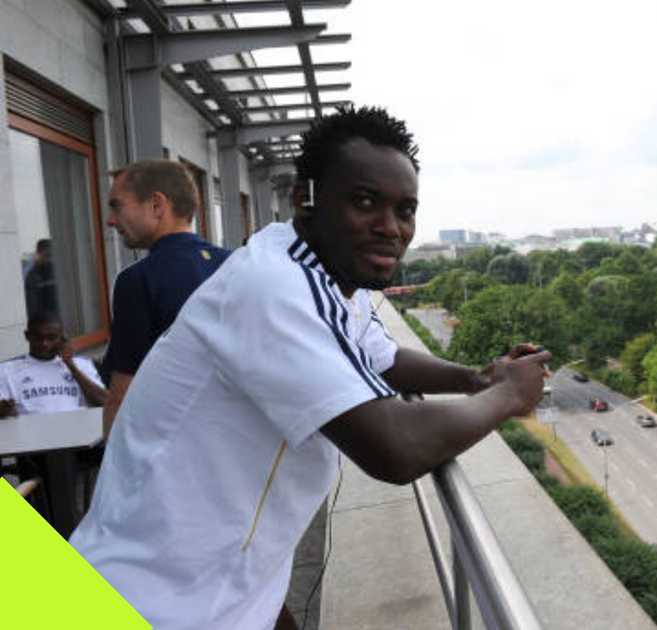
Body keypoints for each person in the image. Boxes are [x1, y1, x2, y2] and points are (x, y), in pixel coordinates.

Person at [70, 105, 550, 630]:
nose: (391, 228)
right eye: (364, 201)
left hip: (212, 591)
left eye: (405, 210)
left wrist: (474, 378)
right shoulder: (273, 287)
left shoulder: (325, 277)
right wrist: (507, 396)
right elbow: (395, 450)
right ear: (306, 199)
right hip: (139, 604)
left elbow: (383, 357)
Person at [100, 160, 230, 435]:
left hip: (172, 449)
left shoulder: (137, 281)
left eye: (117, 205)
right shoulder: (235, 266)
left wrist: (114, 464)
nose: (110, 220)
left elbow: (122, 396)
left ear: (157, 205)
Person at [0, 312, 107, 419]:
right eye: (38, 338)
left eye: (51, 338)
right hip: (32, 433)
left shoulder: (82, 365)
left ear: (62, 338)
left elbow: (104, 401)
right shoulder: (7, 370)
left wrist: (70, 365)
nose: (44, 343)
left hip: (76, 431)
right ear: (27, 336)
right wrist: (4, 412)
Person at [23, 238, 57, 320]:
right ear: (38, 254)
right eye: (47, 255)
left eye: (52, 255)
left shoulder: (55, 271)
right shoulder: (32, 275)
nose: (50, 259)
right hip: (44, 323)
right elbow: (32, 307)